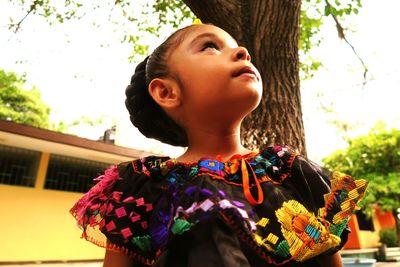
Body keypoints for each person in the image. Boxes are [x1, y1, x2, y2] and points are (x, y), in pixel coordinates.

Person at [70, 23, 368, 267]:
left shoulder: (291, 173)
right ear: (166, 91)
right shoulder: (139, 187)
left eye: (237, 46)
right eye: (210, 46)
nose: (243, 51)